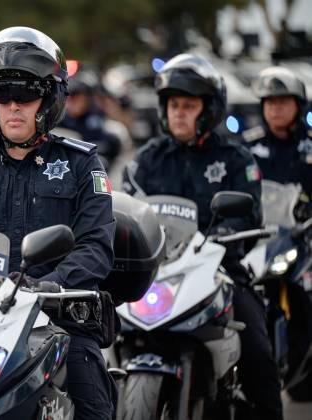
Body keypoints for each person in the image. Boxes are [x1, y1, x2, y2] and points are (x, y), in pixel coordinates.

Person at [0, 27, 116, 419]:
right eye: (2, 94)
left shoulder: (82, 165)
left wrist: (50, 284)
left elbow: (96, 247)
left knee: (93, 408)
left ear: (50, 98)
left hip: (59, 320)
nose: (13, 105)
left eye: (26, 94)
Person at [121, 54, 283, 420]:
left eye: (188, 106)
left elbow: (250, 213)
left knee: (258, 351)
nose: (179, 113)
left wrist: (227, 233)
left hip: (219, 270)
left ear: (208, 111)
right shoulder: (147, 159)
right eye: (173, 105)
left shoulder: (235, 158)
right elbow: (127, 209)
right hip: (156, 274)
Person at [242, 66, 312, 221]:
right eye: (270, 102)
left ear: (298, 105)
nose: (275, 109)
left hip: (305, 227)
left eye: (283, 102)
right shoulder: (247, 147)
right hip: (260, 226)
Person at [58, 69, 122, 170]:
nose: (80, 103)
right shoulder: (61, 118)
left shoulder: (94, 117)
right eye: (77, 99)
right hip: (66, 161)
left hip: (90, 159)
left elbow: (103, 142)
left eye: (84, 100)